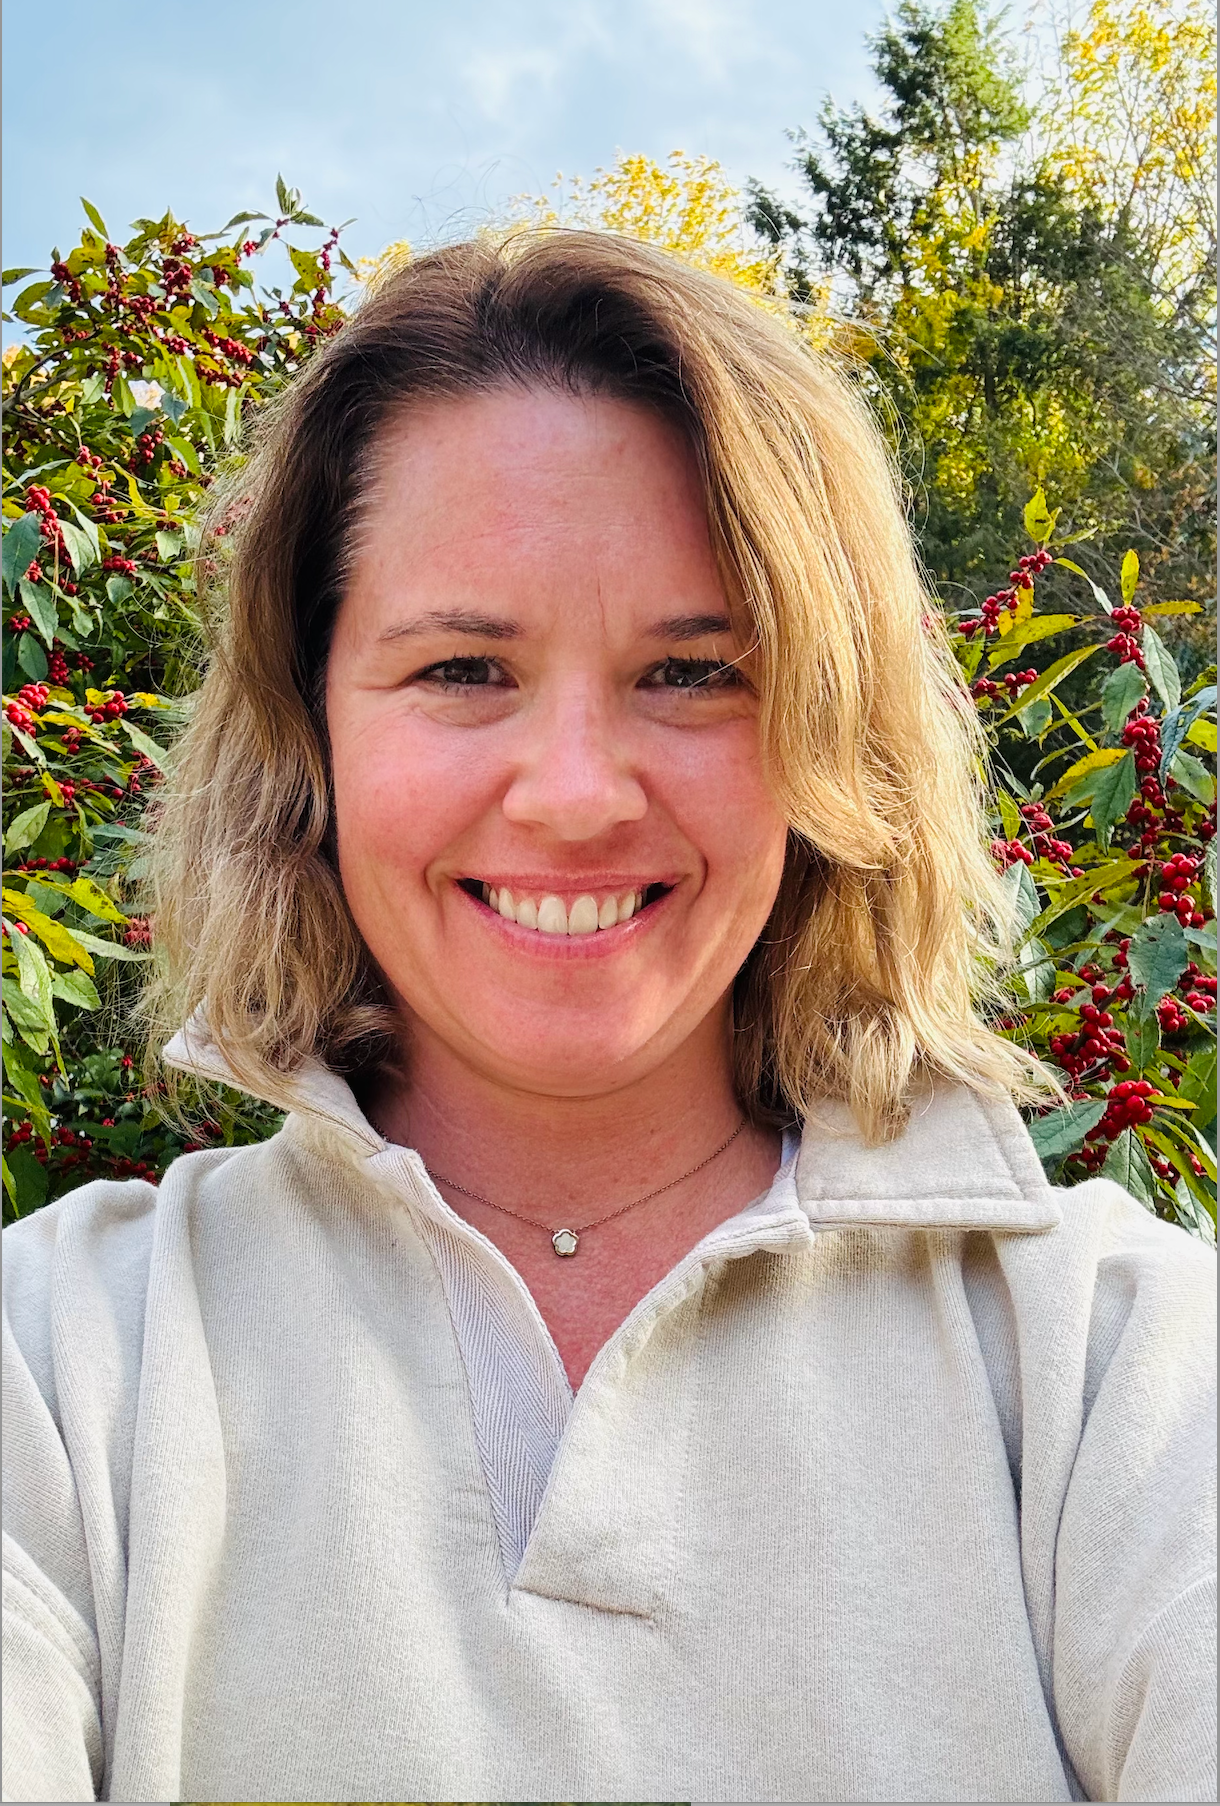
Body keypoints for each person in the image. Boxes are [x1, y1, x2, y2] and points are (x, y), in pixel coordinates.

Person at [3, 231, 1214, 1806]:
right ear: (312, 727)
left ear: (828, 732)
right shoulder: (62, 1367)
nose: (575, 792)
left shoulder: (1122, 1372)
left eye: (696, 673)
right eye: (461, 666)